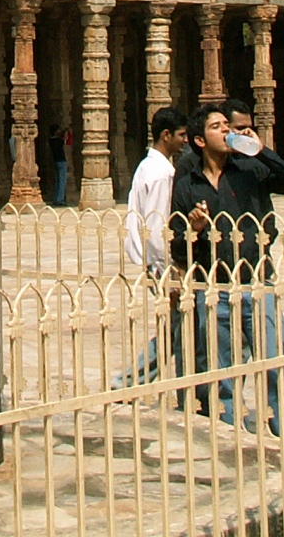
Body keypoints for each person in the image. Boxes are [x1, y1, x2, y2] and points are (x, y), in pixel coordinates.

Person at [170, 103, 284, 434]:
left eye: (226, 126)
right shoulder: (188, 184)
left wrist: (262, 151)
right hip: (213, 288)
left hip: (256, 282)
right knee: (221, 373)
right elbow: (177, 247)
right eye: (217, 127)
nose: (227, 131)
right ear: (200, 140)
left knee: (275, 364)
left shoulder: (251, 170)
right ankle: (231, 437)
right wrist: (195, 229)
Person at [118, 108, 189, 388]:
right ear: (166, 135)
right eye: (181, 135)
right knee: (179, 328)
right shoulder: (161, 174)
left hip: (154, 262)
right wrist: (167, 269)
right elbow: (158, 225)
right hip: (163, 265)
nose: (185, 141)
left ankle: (132, 380)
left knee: (178, 327)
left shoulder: (151, 167)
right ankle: (130, 380)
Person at [48, 126, 68, 206]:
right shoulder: (58, 140)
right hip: (61, 161)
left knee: (58, 180)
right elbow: (66, 140)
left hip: (56, 161)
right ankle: (60, 199)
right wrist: (66, 132)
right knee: (62, 181)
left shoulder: (51, 140)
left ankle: (56, 198)